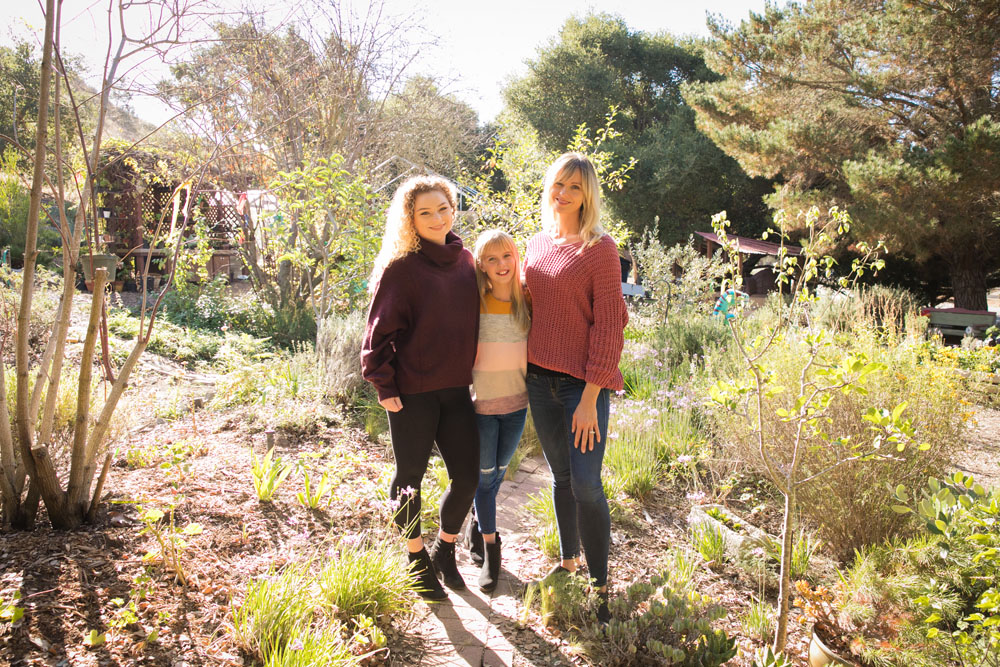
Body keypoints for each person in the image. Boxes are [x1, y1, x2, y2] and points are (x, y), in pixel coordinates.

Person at [361, 175, 480, 601]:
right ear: (410, 218)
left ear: (454, 209)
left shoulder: (466, 261)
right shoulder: (402, 269)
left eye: (443, 208)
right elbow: (377, 335)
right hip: (411, 392)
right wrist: (383, 382)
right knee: (410, 479)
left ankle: (444, 550)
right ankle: (415, 559)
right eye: (424, 212)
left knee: (467, 477)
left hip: (457, 390)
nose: (436, 218)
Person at [522, 152, 628, 624]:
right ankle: (568, 565)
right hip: (536, 380)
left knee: (586, 482)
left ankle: (601, 588)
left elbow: (609, 327)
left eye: (575, 187)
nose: (563, 193)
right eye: (558, 184)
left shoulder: (600, 249)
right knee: (561, 478)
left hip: (578, 389)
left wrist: (589, 397)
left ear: (588, 196)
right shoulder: (537, 243)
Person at [465, 229, 531, 592]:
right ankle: (492, 548)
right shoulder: (475, 301)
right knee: (484, 478)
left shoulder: (528, 301)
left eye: (506, 256)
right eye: (492, 259)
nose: (501, 264)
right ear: (482, 266)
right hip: (482, 408)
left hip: (517, 407)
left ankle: (477, 525)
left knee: (495, 477)